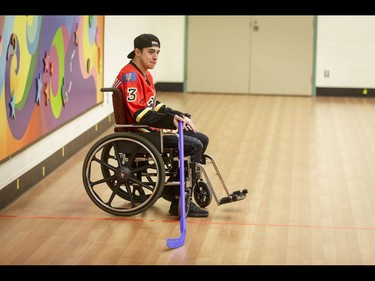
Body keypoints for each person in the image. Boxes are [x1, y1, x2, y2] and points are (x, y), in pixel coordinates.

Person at [112, 33, 209, 218]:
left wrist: (176, 115)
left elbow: (153, 105)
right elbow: (139, 115)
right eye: (151, 52)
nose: (155, 56)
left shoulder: (145, 74)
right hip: (141, 133)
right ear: (137, 52)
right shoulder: (130, 76)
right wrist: (169, 121)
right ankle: (179, 200)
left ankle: (172, 188)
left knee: (202, 138)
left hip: (149, 130)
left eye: (157, 52)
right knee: (195, 145)